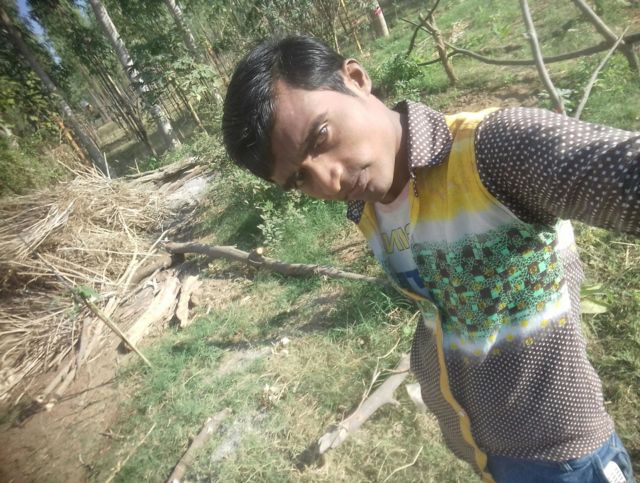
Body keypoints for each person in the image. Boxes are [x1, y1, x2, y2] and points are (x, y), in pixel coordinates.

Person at [222, 35, 639, 482]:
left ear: (357, 79)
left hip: (566, 457)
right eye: (300, 179)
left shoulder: (491, 149)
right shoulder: (368, 206)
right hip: (486, 453)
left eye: (321, 137)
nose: (329, 180)